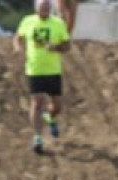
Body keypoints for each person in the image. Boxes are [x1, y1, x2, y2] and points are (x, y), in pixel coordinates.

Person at [14, 0, 70, 155]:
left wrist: (56, 48)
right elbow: (18, 37)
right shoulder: (28, 21)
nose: (44, 11)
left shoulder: (58, 23)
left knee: (57, 106)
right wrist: (18, 47)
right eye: (42, 9)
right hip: (34, 70)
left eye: (47, 9)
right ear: (36, 9)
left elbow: (67, 46)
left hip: (53, 70)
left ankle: (49, 118)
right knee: (37, 102)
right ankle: (37, 137)